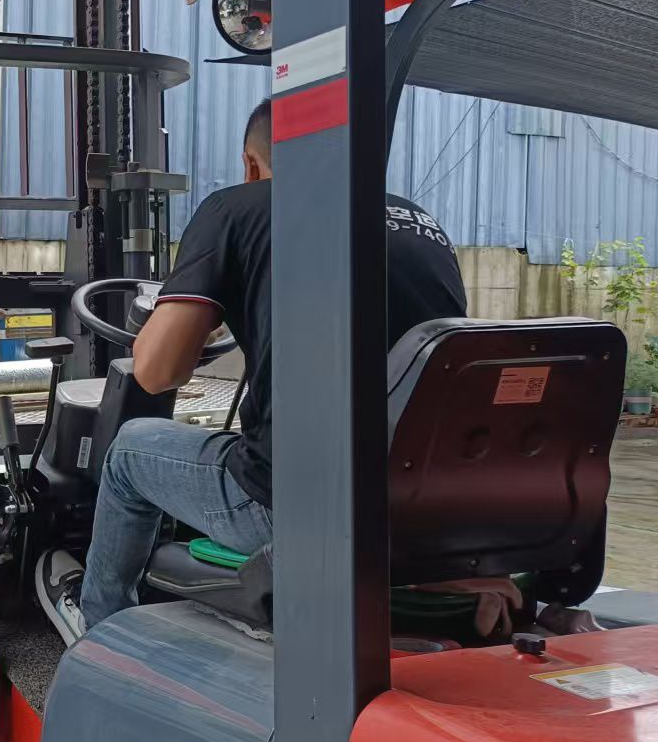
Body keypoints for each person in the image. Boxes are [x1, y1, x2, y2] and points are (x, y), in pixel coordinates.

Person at [35, 99, 469, 643]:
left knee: (129, 449)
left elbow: (156, 372)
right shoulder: (420, 222)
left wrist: (179, 322)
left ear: (250, 163)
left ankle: (99, 631)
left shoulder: (234, 209)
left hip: (293, 507)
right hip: (426, 507)